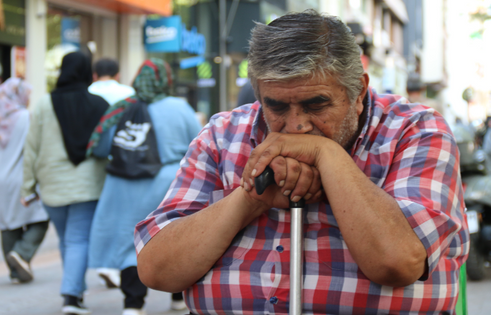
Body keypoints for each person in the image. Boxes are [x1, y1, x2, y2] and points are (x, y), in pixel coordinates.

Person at [134, 10, 469, 314]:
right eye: (277, 107)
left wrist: (327, 156)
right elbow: (157, 270)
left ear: (358, 93)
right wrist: (252, 198)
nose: (297, 126)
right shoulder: (222, 135)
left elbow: (398, 262)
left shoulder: (415, 130)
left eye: (316, 105)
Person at [88, 58, 201, 315]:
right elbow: (199, 144)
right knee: (173, 238)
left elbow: (102, 146)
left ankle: (133, 303)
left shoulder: (122, 107)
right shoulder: (179, 107)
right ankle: (177, 298)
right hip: (169, 182)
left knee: (130, 241)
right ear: (166, 79)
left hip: (123, 183)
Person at [22, 51, 108, 315]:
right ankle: (71, 296)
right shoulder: (100, 104)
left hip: (51, 184)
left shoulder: (45, 104)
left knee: (67, 240)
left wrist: (27, 186)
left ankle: (76, 291)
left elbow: (31, 148)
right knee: (77, 240)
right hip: (87, 185)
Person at [0, 78, 49, 284]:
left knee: (8, 225)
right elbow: (35, 149)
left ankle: (14, 271)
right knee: (41, 218)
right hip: (22, 179)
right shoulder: (25, 118)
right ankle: (22, 253)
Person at [87, 57, 135, 289]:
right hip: (124, 162)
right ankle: (113, 265)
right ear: (117, 74)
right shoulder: (128, 92)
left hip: (92, 162)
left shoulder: (88, 91)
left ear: (95, 75)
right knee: (122, 218)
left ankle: (104, 263)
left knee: (101, 217)